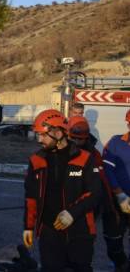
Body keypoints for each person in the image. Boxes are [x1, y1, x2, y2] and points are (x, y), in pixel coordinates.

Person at [23, 109, 100, 272]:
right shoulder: (36, 160)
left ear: (58, 133)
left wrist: (72, 213)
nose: (39, 139)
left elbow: (95, 193)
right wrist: (28, 226)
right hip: (49, 232)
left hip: (80, 231)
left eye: (43, 135)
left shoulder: (85, 158)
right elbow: (30, 197)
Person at [69, 115, 127, 270]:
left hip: (93, 207)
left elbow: (102, 181)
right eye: (73, 138)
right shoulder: (115, 143)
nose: (76, 142)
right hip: (70, 207)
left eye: (79, 139)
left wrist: (111, 207)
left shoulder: (93, 156)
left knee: (85, 245)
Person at [101, 108, 130, 271]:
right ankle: (120, 263)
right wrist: (119, 194)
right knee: (113, 240)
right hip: (117, 202)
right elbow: (107, 169)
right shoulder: (116, 143)